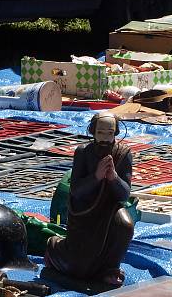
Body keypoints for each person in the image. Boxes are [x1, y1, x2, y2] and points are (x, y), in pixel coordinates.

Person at [44, 113, 133, 286]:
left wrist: (113, 177)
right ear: (93, 132)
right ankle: (55, 248)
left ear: (116, 132)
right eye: (101, 132)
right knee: (78, 269)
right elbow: (76, 191)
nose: (105, 138)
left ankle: (111, 268)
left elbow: (124, 194)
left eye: (110, 133)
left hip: (110, 209)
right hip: (85, 209)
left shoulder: (123, 154)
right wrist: (96, 177)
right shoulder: (83, 152)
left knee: (125, 225)